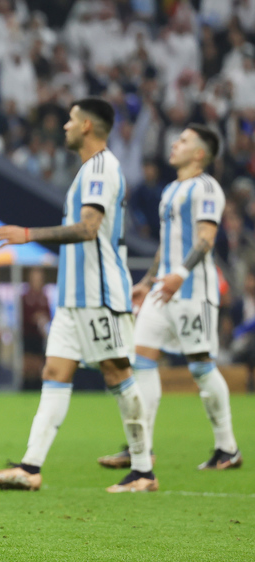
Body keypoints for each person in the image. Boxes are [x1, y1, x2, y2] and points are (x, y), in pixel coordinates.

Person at [0, 97, 154, 493]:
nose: (65, 127)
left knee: (116, 373)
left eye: (71, 120)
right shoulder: (87, 171)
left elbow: (89, 228)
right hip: (74, 297)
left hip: (99, 294)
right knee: (54, 373)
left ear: (88, 126)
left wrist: (28, 235)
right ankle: (30, 467)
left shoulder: (101, 168)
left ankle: (143, 471)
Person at [98, 125, 242, 472]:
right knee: (141, 360)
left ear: (199, 153)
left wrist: (181, 273)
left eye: (183, 140)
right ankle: (141, 448)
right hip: (162, 291)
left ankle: (227, 448)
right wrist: (148, 280)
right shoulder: (171, 190)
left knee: (201, 367)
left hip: (193, 292)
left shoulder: (207, 188)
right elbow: (168, 242)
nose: (174, 143)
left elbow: (206, 238)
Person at [20, 267, 51, 390]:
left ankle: (38, 388)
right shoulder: (25, 297)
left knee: (39, 364)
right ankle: (26, 388)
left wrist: (43, 319)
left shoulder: (44, 297)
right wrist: (34, 318)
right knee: (28, 365)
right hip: (28, 336)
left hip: (40, 336)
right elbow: (24, 316)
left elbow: (48, 315)